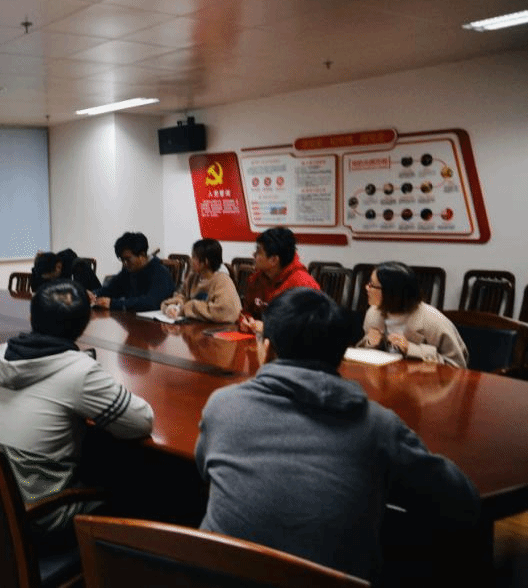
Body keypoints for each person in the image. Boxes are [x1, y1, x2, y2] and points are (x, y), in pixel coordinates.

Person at [195, 288, 479, 582]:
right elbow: (462, 502)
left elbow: (204, 469)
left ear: (266, 349)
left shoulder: (222, 405)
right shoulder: (378, 426)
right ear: (341, 356)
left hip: (213, 576)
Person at [0, 279, 154, 532]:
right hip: (41, 515)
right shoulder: (78, 371)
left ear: (30, 317)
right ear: (83, 327)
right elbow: (141, 421)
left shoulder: (0, 354)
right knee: (140, 480)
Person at [357, 261, 468, 368]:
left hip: (422, 379)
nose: (367, 288)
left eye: (372, 285)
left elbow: (457, 366)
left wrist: (411, 349)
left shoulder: (433, 321)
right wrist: (369, 343)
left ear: (391, 292)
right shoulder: (373, 313)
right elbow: (362, 354)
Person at [238, 226, 319, 333]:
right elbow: (246, 311)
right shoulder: (256, 279)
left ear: (273, 260)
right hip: (259, 339)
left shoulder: (303, 285)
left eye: (258, 252)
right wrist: (245, 320)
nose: (253, 255)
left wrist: (269, 329)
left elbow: (310, 328)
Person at [160, 238, 242, 323]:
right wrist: (173, 307)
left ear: (206, 262)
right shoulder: (193, 277)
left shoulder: (223, 280)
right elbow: (181, 296)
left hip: (217, 329)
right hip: (193, 326)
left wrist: (189, 307)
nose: (190, 260)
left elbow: (226, 311)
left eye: (194, 257)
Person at [90, 232, 175, 312]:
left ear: (142, 255)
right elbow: (111, 290)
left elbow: (151, 303)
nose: (124, 264)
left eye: (127, 259)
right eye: (122, 260)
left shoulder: (160, 272)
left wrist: (113, 303)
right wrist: (92, 295)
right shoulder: (128, 271)